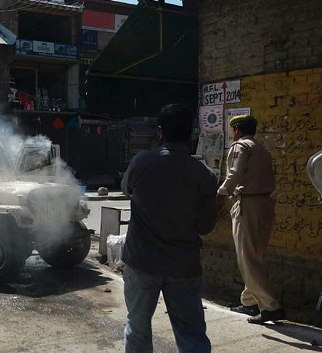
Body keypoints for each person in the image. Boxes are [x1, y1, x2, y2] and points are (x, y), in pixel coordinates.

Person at [121, 104, 217, 353]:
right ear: (191, 134)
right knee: (191, 333)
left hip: (141, 262)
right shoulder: (203, 174)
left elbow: (126, 189)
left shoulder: (142, 162)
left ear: (160, 132)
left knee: (137, 327)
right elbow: (206, 226)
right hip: (183, 266)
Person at [217, 115, 286, 324]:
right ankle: (249, 301)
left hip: (248, 203)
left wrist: (221, 192)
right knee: (256, 254)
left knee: (247, 258)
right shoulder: (261, 148)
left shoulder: (240, 146)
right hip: (264, 203)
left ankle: (270, 306)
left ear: (236, 130)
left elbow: (235, 173)